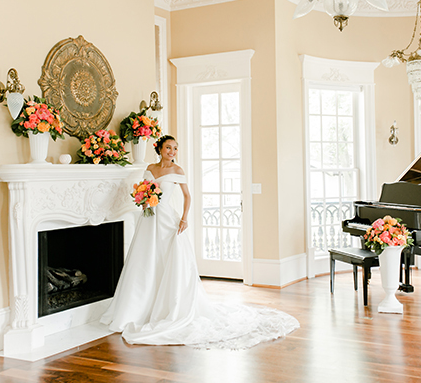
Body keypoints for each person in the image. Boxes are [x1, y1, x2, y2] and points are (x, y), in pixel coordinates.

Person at [100, 135, 299, 349]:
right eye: (169, 147)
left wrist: (184, 218)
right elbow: (142, 190)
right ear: (159, 148)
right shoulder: (149, 168)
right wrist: (143, 199)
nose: (172, 152)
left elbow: (187, 196)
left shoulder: (177, 171)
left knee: (170, 260)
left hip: (168, 220)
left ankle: (168, 308)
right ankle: (139, 308)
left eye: (175, 148)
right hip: (149, 219)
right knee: (146, 261)